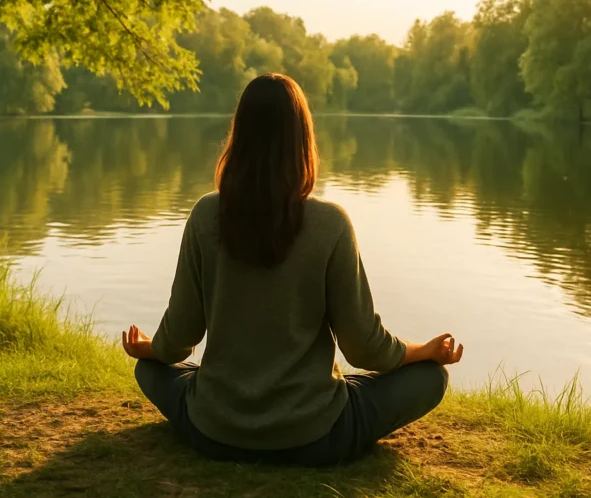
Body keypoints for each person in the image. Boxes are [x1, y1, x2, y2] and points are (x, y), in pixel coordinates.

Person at [121, 73, 463, 466]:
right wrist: (425, 351)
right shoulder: (331, 224)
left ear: (239, 135)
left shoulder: (205, 215)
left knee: (149, 370)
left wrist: (148, 349)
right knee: (431, 378)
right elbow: (364, 347)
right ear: (303, 139)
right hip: (316, 435)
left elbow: (179, 338)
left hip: (214, 430)